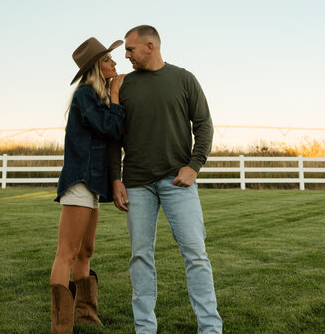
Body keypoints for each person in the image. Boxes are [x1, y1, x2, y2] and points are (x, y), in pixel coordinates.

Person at [109, 25, 223, 334]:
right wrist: (116, 178)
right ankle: (145, 329)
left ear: (150, 46)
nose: (126, 56)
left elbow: (204, 125)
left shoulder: (184, 79)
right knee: (140, 257)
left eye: (130, 50)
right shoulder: (122, 86)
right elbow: (112, 137)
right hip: (136, 183)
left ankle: (210, 328)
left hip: (178, 182)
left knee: (195, 254)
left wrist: (194, 166)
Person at [51, 37, 125, 334]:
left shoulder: (97, 97)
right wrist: (117, 97)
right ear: (97, 66)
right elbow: (110, 128)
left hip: (93, 183)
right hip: (80, 179)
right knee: (67, 253)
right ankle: (61, 326)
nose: (115, 64)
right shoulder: (84, 94)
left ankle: (86, 315)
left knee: (86, 251)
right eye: (109, 60)